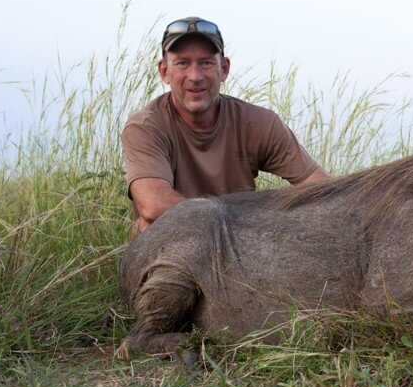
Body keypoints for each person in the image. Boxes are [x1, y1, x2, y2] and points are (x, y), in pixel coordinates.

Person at [121, 17, 331, 237]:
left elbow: (323, 188)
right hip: (181, 242)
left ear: (224, 69)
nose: (195, 76)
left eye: (206, 62)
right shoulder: (145, 126)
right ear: (164, 71)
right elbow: (153, 204)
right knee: (146, 225)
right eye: (183, 63)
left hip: (241, 245)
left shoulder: (260, 123)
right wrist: (244, 222)